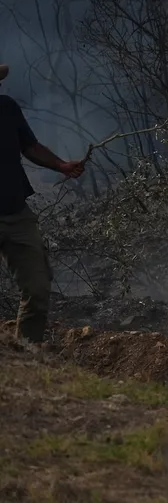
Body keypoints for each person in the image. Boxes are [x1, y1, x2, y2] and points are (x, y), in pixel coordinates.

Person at [0, 63, 86, 345]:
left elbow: (30, 146)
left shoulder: (7, 108)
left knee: (37, 289)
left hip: (16, 213)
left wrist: (61, 165)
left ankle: (26, 356)